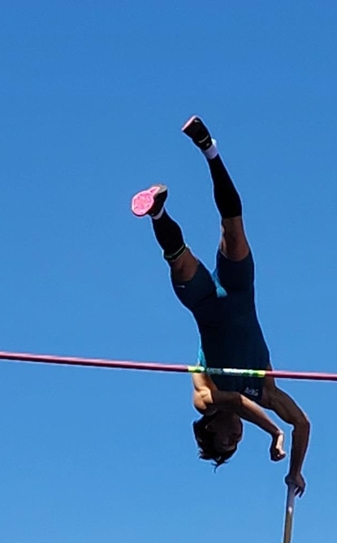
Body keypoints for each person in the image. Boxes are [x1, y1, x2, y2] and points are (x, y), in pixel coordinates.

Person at [131, 117, 310, 495]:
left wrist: (274, 431)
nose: (235, 437)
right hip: (239, 291)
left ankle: (169, 197)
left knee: (178, 256)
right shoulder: (266, 392)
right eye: (237, 443)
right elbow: (304, 424)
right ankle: (175, 192)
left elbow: (233, 400)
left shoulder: (203, 401)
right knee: (233, 227)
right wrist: (296, 472)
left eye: (227, 441)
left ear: (210, 429)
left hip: (204, 303)